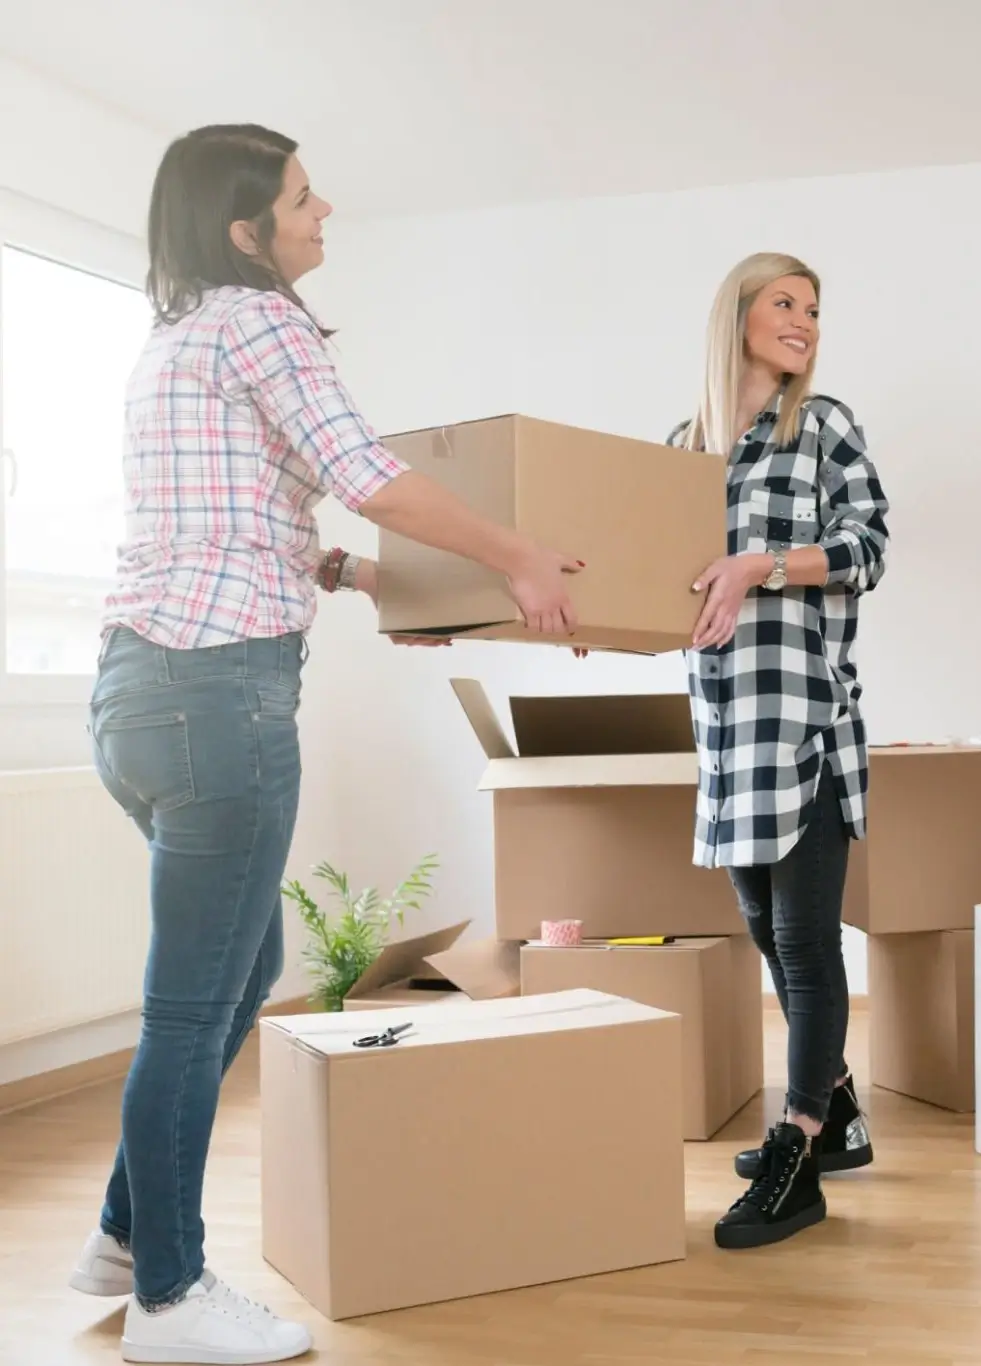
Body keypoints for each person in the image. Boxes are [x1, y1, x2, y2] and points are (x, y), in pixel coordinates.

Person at [70, 123, 582, 1365]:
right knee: (195, 1010)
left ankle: (126, 1239)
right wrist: (517, 557)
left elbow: (255, 513)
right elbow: (366, 468)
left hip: (140, 699)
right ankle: (173, 1301)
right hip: (222, 703)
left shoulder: (177, 339)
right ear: (249, 230)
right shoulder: (261, 320)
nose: (325, 210)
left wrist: (357, 579)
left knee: (239, 977)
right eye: (303, 198)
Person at [669, 253, 889, 1250]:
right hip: (724, 728)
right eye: (784, 303)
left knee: (804, 946)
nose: (804, 321)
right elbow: (655, 565)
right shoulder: (682, 448)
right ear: (738, 317)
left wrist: (766, 562)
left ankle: (800, 1150)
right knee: (769, 935)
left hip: (804, 720)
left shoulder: (824, 429)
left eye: (813, 309)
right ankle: (836, 1105)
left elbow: (868, 548)